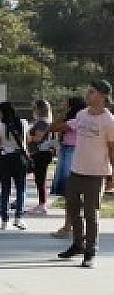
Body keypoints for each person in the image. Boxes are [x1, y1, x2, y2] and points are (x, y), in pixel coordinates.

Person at [57, 80, 114, 267]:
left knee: (91, 213)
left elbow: (112, 149)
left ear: (102, 95)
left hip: (96, 174)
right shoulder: (81, 115)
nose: (88, 95)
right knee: (73, 209)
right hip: (76, 171)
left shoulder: (109, 120)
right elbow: (63, 126)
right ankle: (77, 244)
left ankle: (90, 251)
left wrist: (112, 175)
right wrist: (62, 115)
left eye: (92, 92)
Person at [0, 101, 29, 230]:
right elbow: (26, 141)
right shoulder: (23, 123)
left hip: (5, 159)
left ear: (2, 112)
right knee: (21, 188)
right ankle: (19, 217)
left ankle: (4, 220)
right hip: (19, 158)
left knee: (5, 189)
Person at [49, 96, 85, 238]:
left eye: (66, 103)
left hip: (71, 153)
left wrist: (63, 113)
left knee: (71, 194)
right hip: (70, 151)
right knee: (71, 195)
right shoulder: (79, 121)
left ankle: (68, 227)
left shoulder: (75, 121)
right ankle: (69, 226)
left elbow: (53, 127)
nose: (64, 104)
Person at [26, 99, 54, 215]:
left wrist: (26, 137)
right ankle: (41, 203)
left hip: (41, 153)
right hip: (38, 153)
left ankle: (42, 204)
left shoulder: (42, 123)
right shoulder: (41, 122)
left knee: (40, 179)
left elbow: (38, 138)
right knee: (39, 179)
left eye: (35, 108)